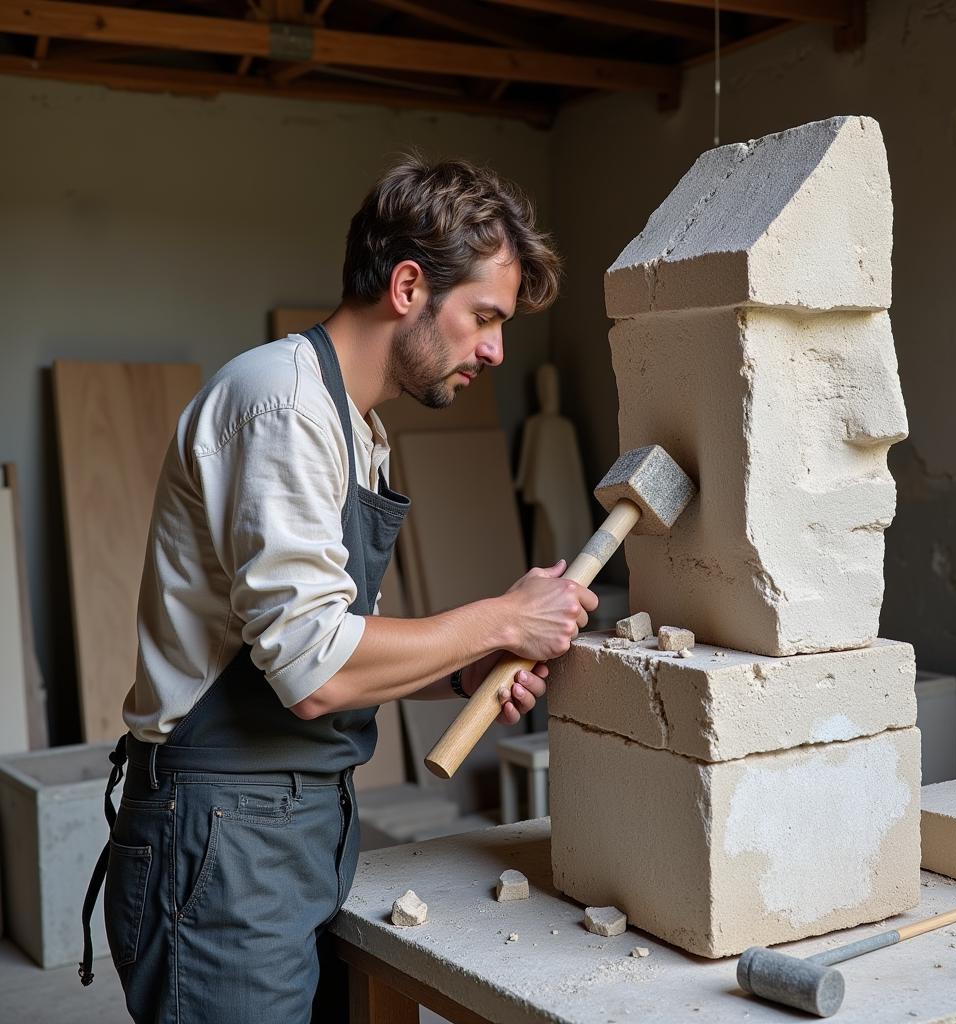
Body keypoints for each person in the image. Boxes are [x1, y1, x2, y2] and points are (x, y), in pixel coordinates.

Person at [79, 155, 599, 1024]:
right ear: (406, 286)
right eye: (484, 317)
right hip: (224, 828)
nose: (497, 348)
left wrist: (463, 672)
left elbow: (347, 642)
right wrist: (501, 616)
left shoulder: (356, 428)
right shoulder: (281, 406)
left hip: (301, 816)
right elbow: (316, 673)